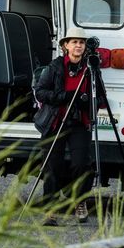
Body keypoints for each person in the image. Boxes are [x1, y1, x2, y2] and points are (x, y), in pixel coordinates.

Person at [33, 27, 98, 225]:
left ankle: (80, 201)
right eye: (74, 42)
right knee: (53, 165)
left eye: (81, 42)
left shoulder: (91, 68)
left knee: (81, 164)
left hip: (79, 121)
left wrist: (87, 101)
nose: (78, 45)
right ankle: (50, 210)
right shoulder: (54, 67)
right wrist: (65, 97)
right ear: (65, 46)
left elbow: (100, 97)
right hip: (55, 121)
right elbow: (40, 92)